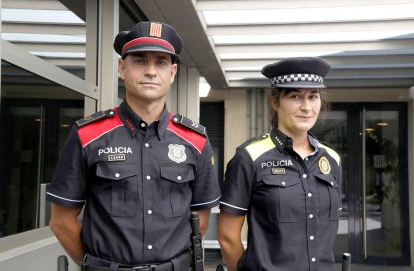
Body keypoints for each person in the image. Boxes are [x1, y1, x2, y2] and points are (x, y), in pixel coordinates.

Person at [47, 21, 221, 271]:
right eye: (139, 60)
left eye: (161, 62)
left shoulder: (195, 140)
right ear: (122, 68)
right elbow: (61, 221)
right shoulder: (88, 135)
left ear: (172, 73)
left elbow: (200, 221)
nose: (151, 71)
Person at [217, 57, 342, 271]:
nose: (306, 107)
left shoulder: (331, 159)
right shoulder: (250, 157)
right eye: (295, 96)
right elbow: (227, 236)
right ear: (275, 102)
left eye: (313, 97)